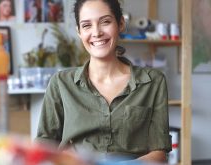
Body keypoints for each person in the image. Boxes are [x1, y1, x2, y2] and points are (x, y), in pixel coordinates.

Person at [36, 0, 171, 163]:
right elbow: (43, 148)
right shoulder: (61, 83)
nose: (97, 32)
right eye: (86, 25)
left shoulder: (153, 82)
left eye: (105, 22)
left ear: (120, 24)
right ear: (79, 31)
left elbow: (159, 154)